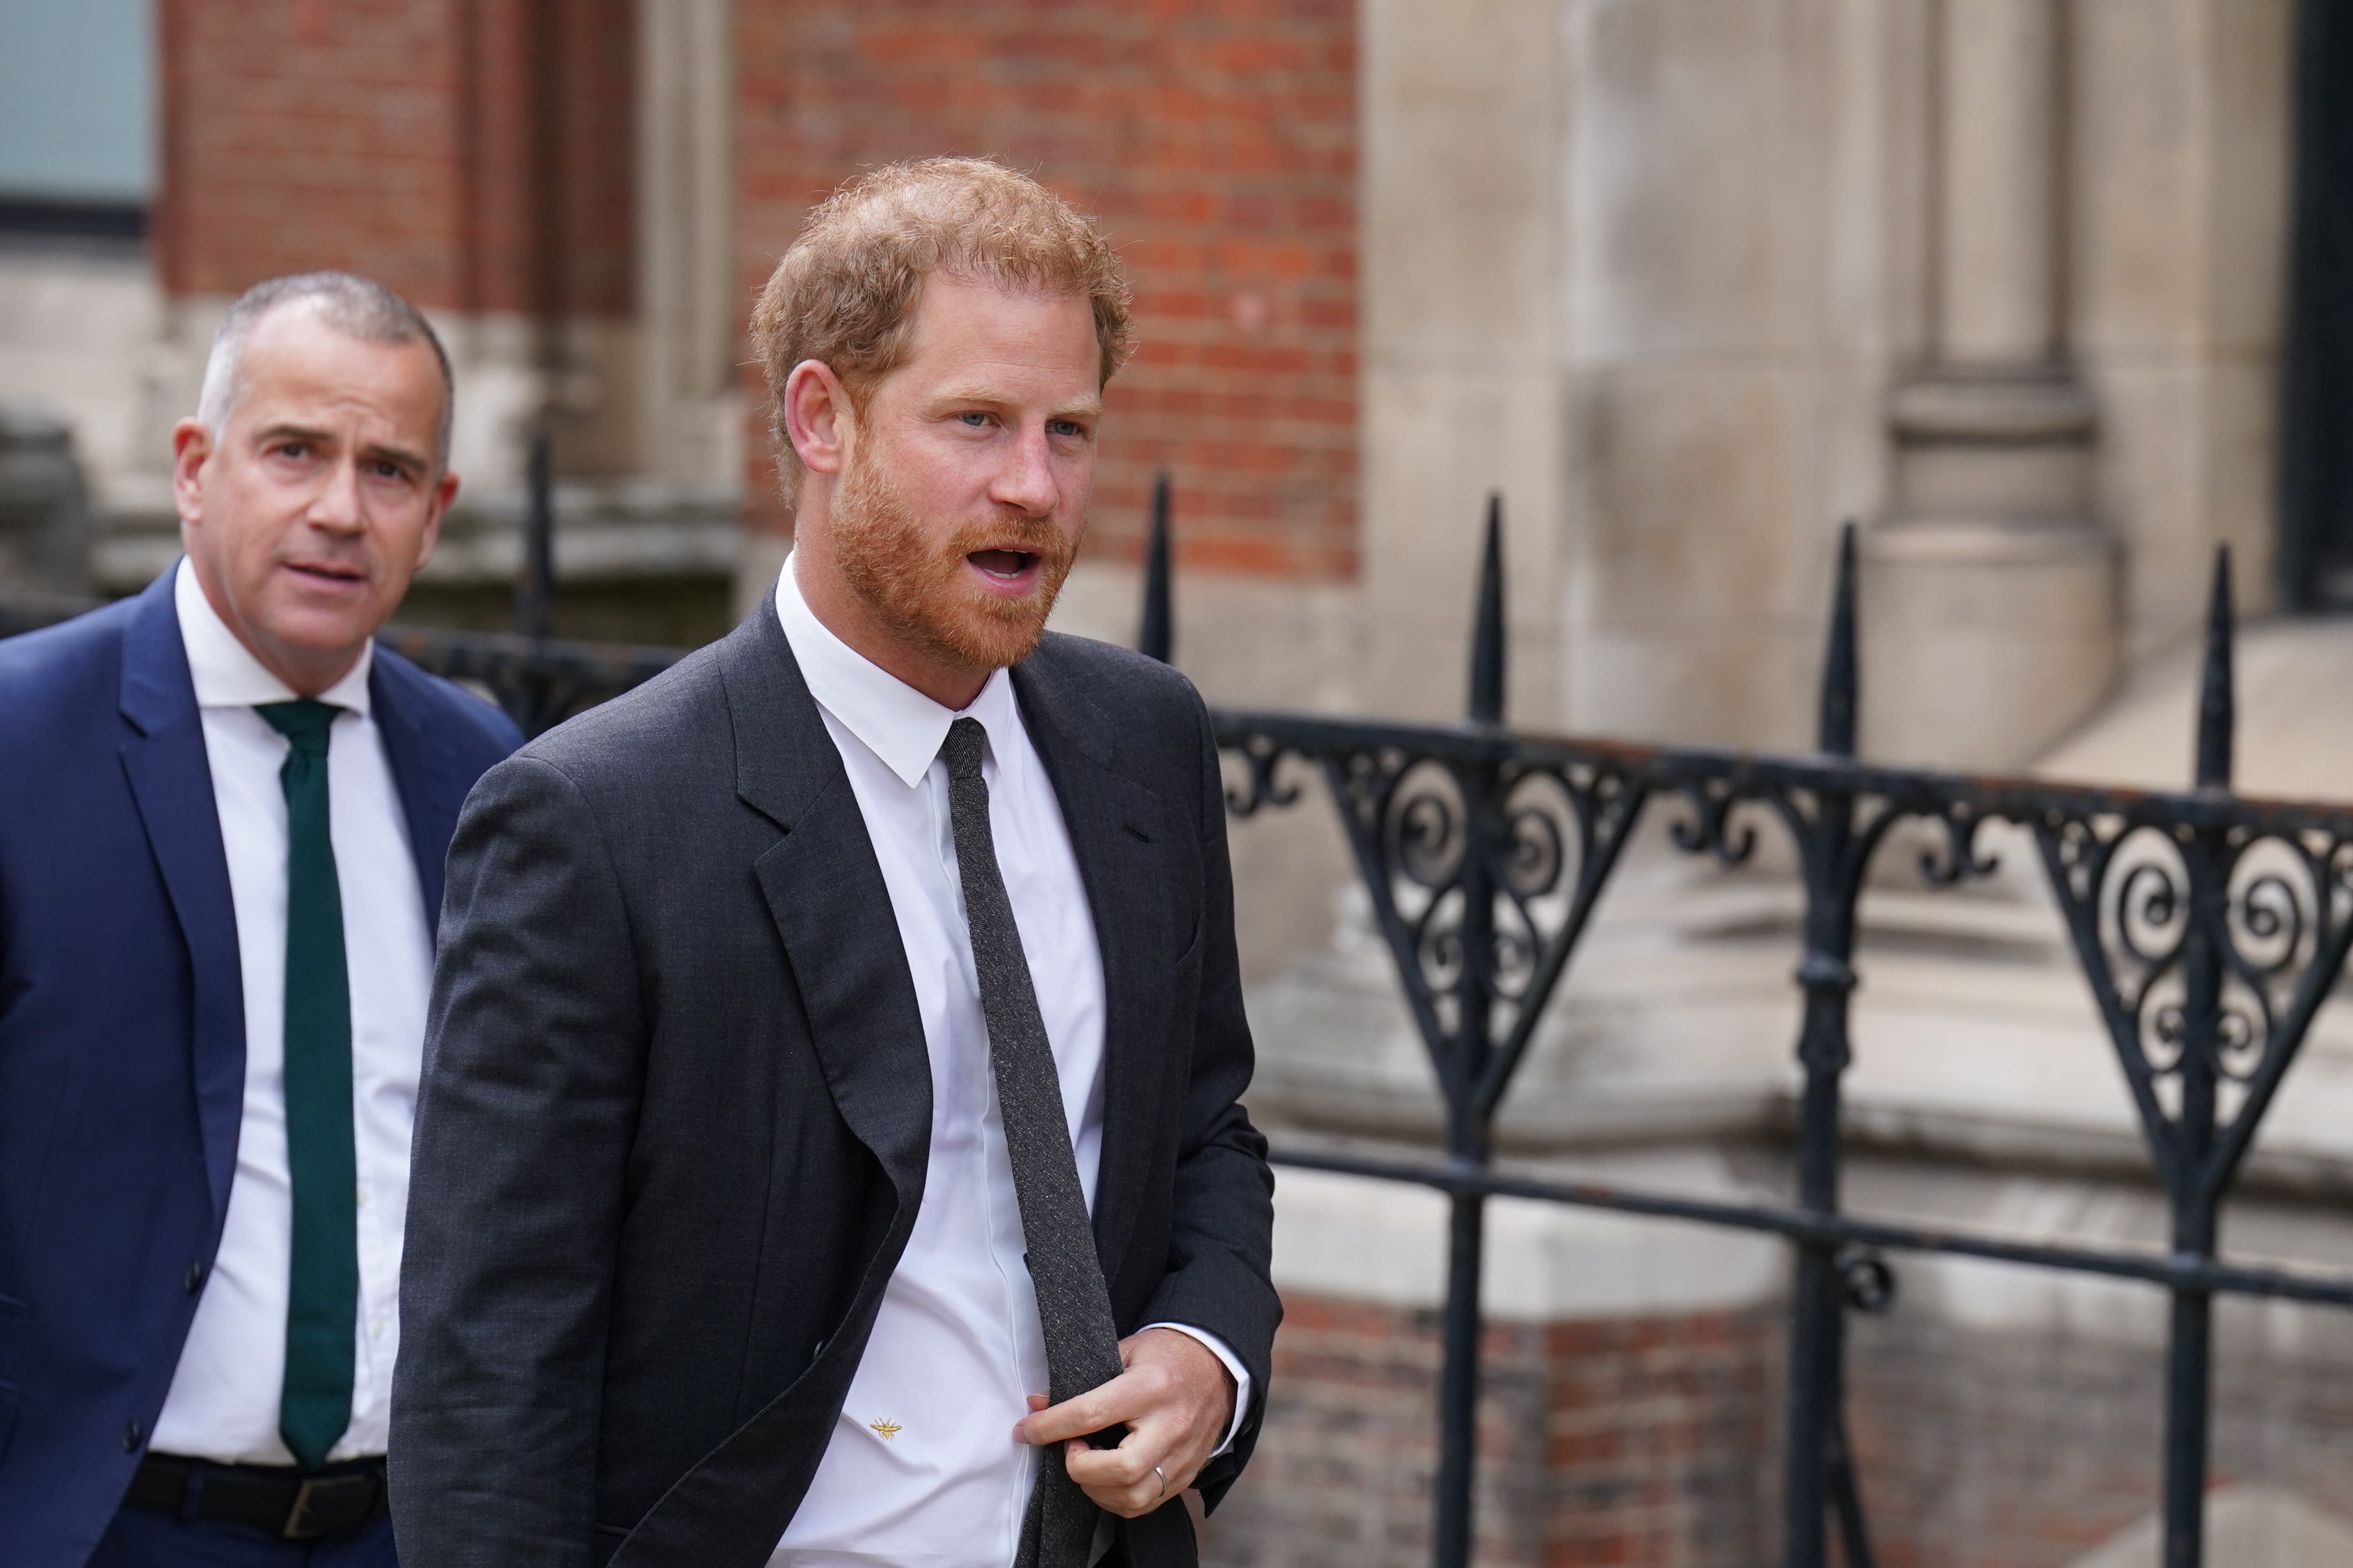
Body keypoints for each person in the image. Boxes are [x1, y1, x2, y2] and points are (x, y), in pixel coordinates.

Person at [390, 158, 1279, 1568]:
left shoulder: (1143, 739)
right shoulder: (594, 820)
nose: (1034, 486)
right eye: (976, 420)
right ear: (822, 417)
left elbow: (1207, 1128)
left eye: (1071, 429)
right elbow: (490, 1364)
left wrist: (1204, 1348)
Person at [0, 272, 523, 1566]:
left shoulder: (480, 769)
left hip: (406, 1530)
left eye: (390, 471)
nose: (339, 511)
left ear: (436, 514)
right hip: (104, 1525)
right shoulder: (21, 741)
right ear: (195, 465)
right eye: (295, 451)